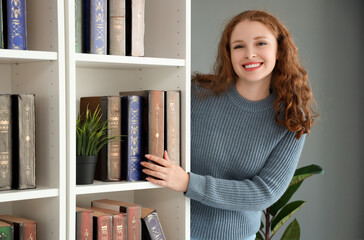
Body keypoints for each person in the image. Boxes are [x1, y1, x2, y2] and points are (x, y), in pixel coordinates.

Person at [140, 10, 318, 240]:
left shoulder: (291, 119)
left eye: (261, 43)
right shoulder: (196, 93)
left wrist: (187, 182)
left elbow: (264, 192)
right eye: (238, 46)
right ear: (229, 54)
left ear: (279, 49)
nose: (250, 54)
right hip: (172, 227)